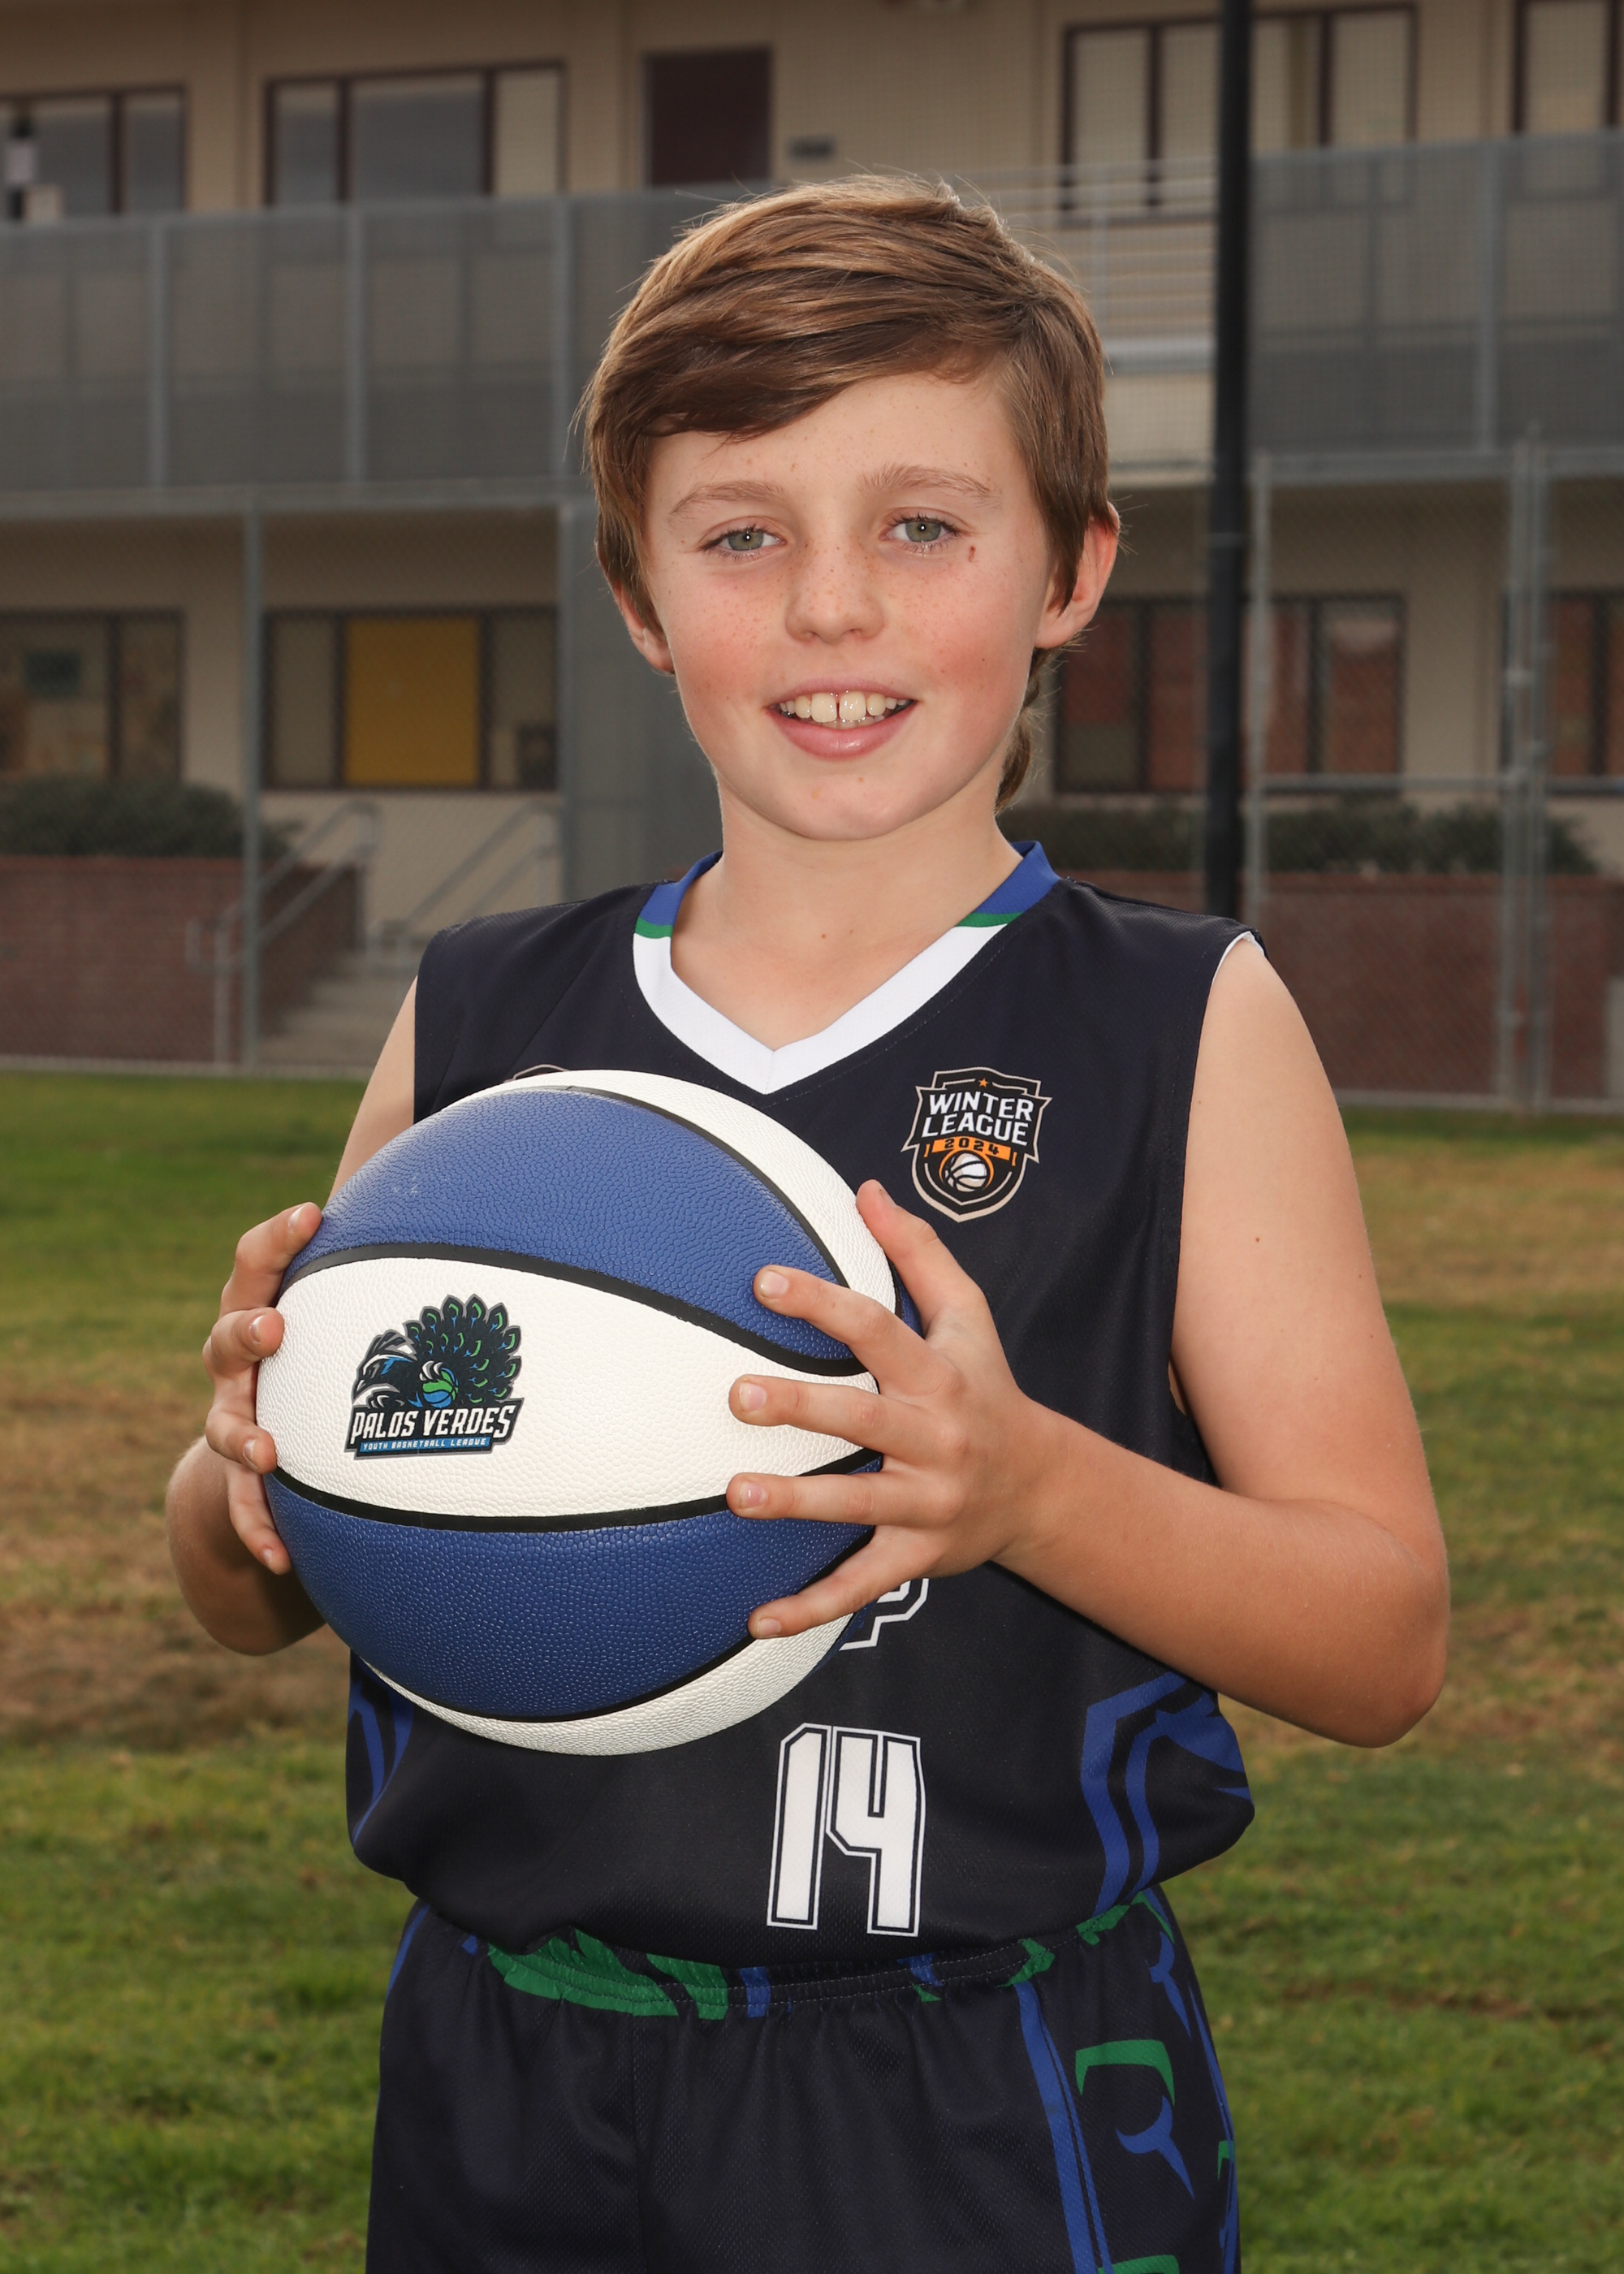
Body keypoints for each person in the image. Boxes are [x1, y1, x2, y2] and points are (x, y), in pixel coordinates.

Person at [166, 178, 1448, 2272]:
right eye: (742, 534)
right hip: (504, 2071)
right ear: (639, 592)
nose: (834, 608)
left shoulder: (1181, 1022)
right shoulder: (487, 1017)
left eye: (922, 526)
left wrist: (1027, 1487)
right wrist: (249, 1472)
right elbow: (246, 1596)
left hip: (972, 2090)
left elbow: (1383, 1639)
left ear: (1073, 569)